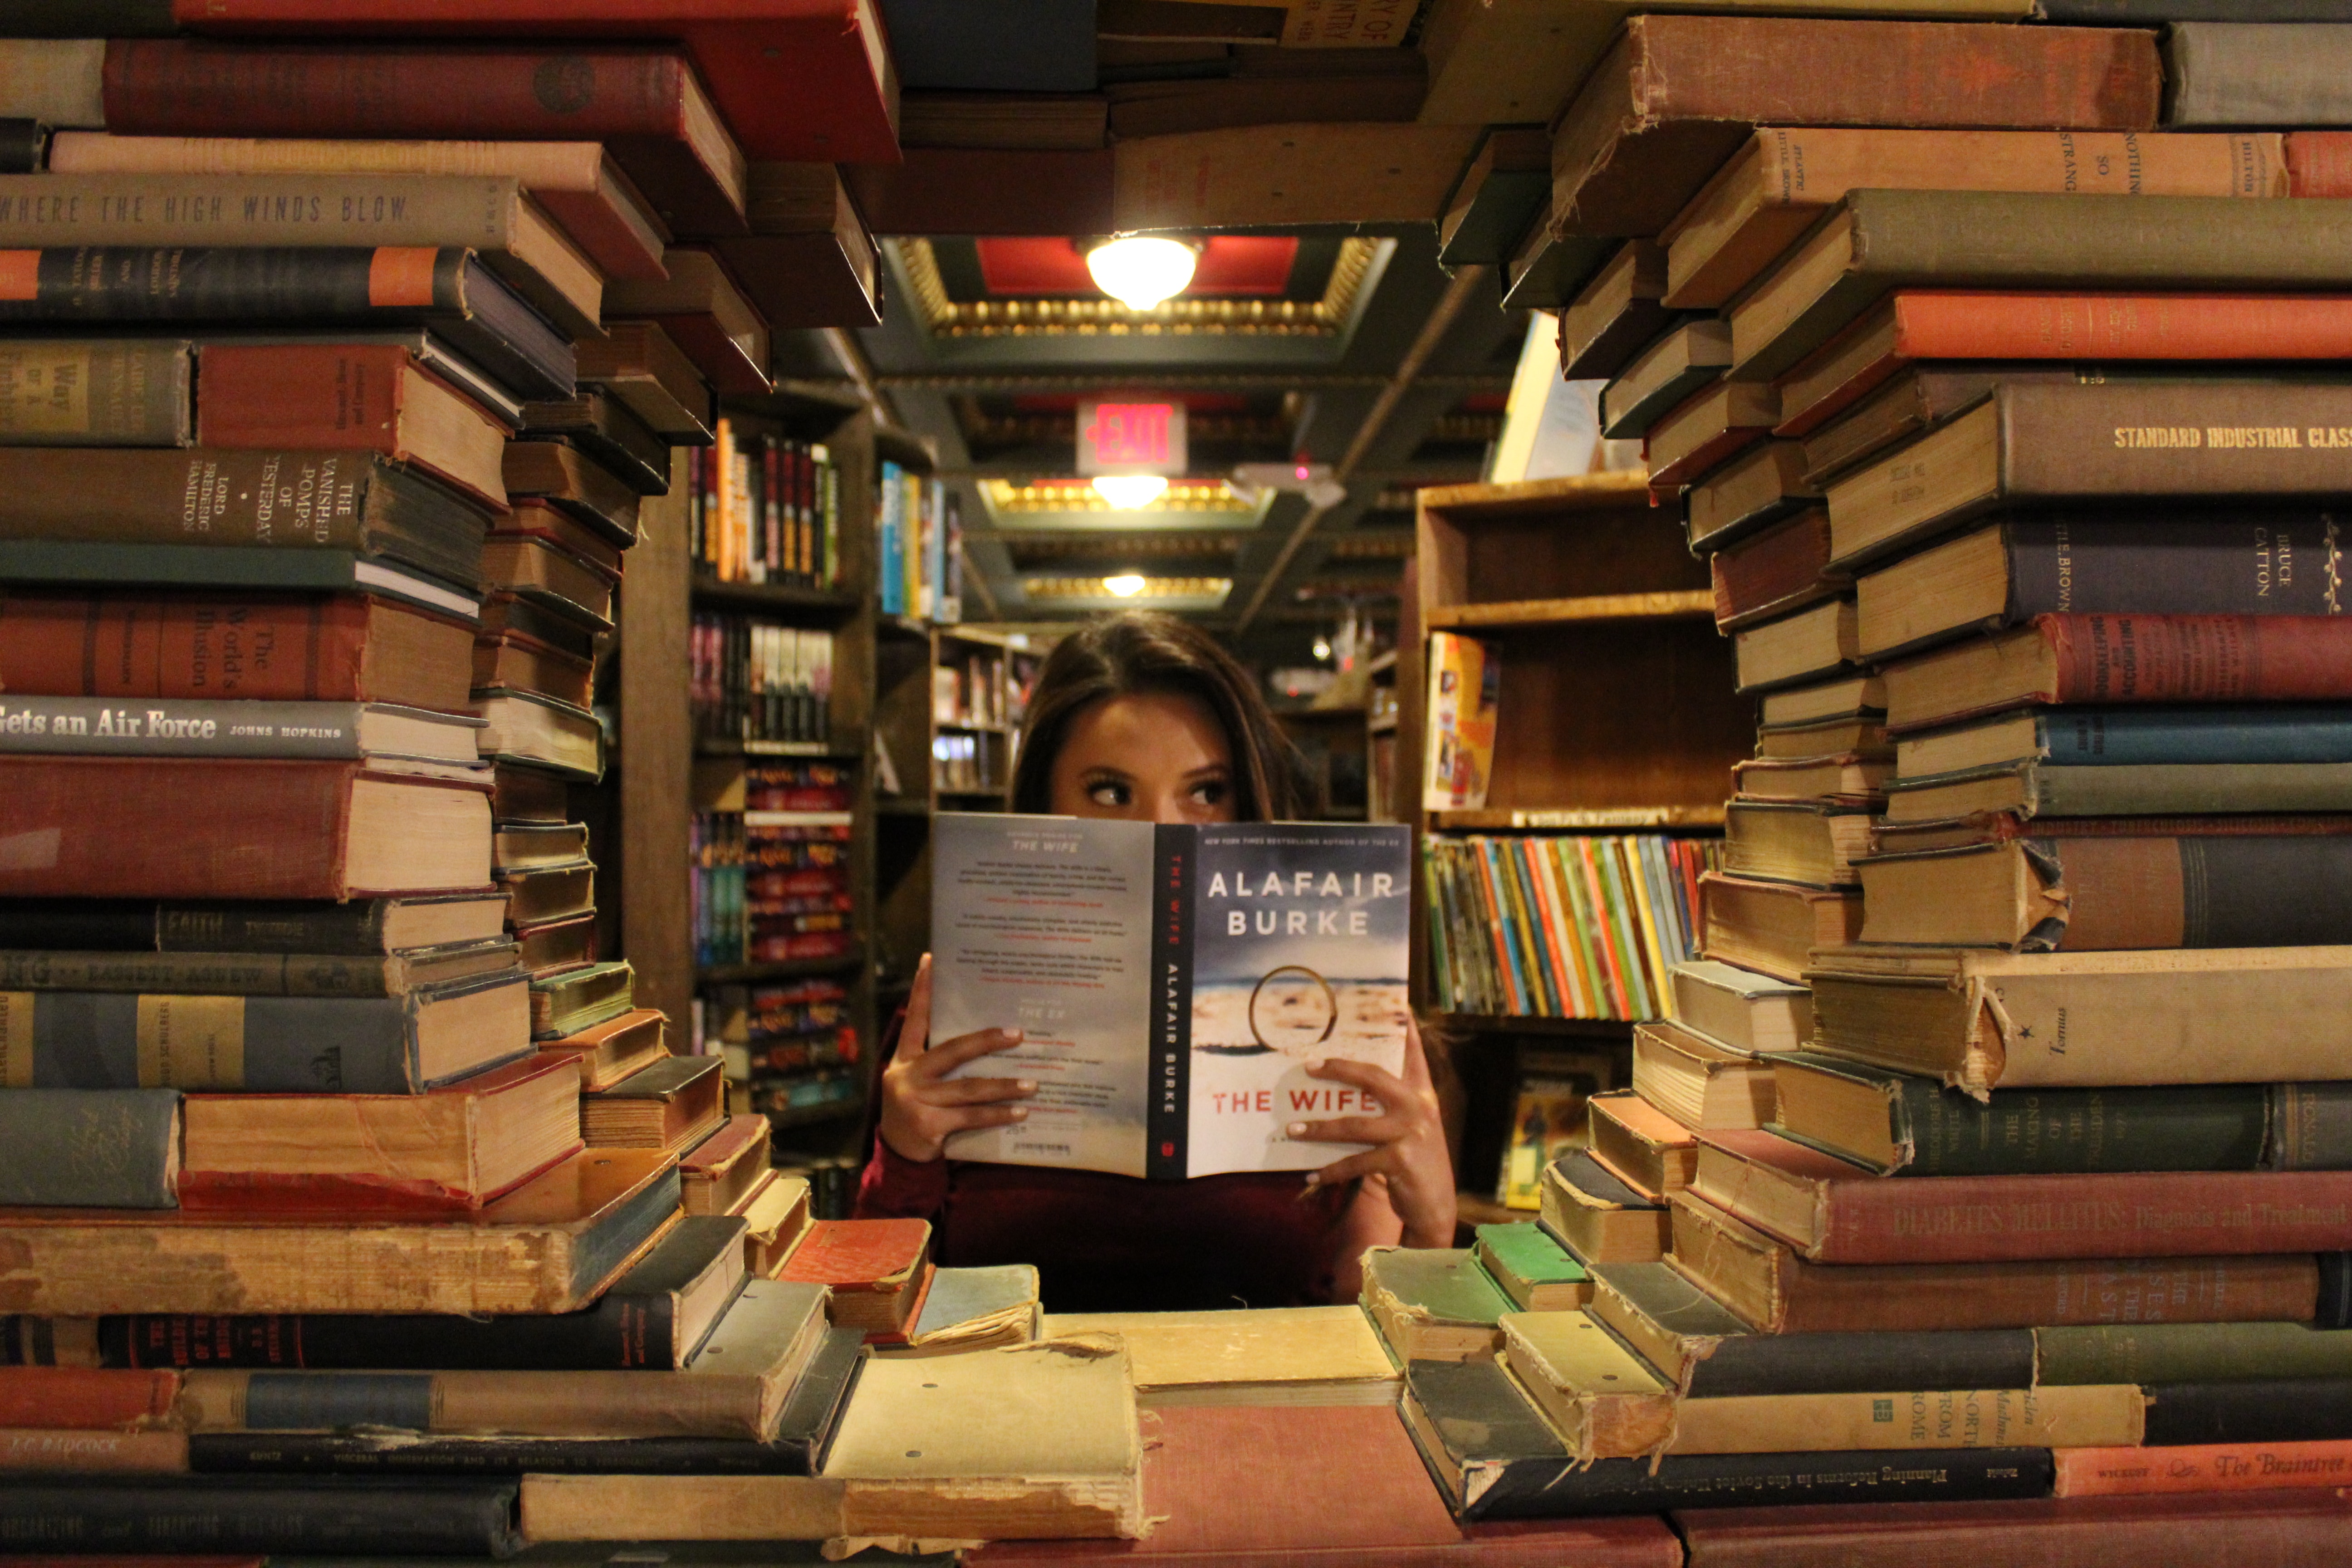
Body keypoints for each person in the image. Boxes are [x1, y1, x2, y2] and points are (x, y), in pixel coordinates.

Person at [853, 611, 1457, 1311]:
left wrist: (1433, 1225)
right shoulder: (944, 1027)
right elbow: (870, 1308)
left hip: (1256, 1410)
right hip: (1010, 1405)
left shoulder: (1344, 1014)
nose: (1163, 833)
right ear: (1045, 809)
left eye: (1205, 793)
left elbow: (1372, 1324)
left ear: (1249, 802)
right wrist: (901, 1158)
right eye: (1111, 792)